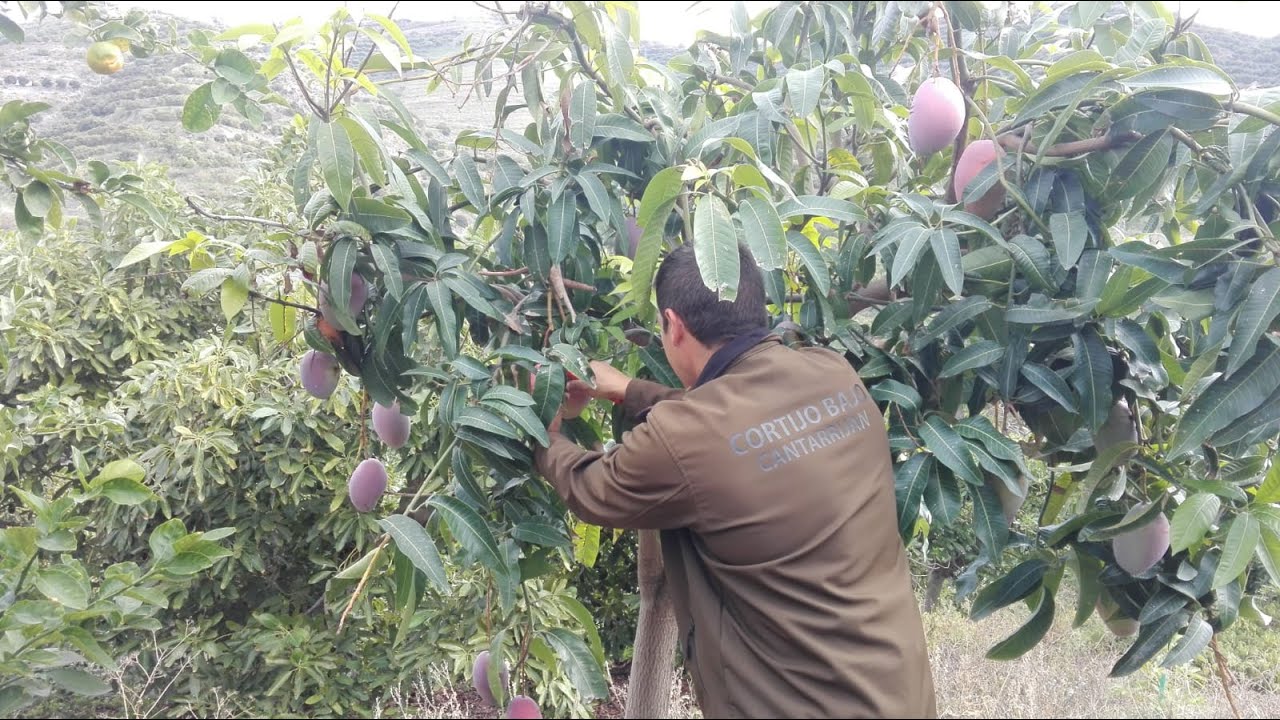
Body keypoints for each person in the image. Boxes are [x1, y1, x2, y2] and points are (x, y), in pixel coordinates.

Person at [533, 242, 937, 719]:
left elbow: (591, 488)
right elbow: (730, 428)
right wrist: (629, 391)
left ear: (674, 325)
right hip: (899, 694)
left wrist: (543, 425)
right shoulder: (833, 373)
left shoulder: (686, 440)